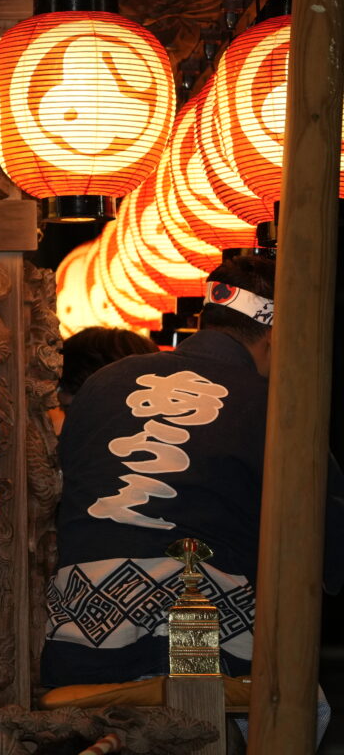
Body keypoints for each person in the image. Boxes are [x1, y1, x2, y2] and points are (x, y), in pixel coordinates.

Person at [41, 254, 344, 689]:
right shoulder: (273, 404)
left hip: (80, 638)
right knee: (290, 702)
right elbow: (326, 540)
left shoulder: (103, 382)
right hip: (197, 640)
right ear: (278, 336)